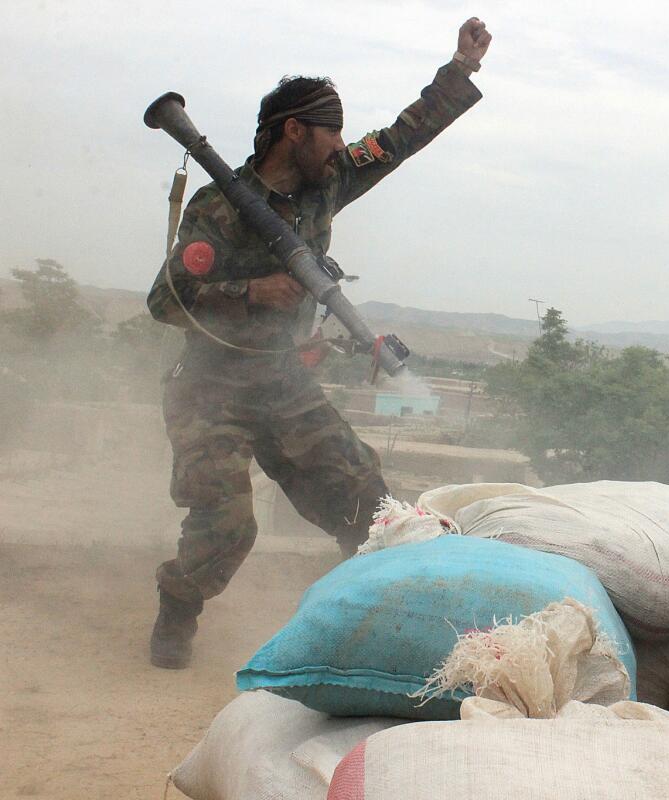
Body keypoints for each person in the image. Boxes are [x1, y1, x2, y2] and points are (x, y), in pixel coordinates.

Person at [145, 18, 492, 670]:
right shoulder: (217, 211)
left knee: (366, 500)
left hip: (281, 379)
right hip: (209, 383)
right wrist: (254, 291)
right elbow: (164, 301)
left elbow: (398, 140)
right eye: (329, 130)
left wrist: (459, 71)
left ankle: (377, 623)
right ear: (293, 131)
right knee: (225, 529)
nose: (341, 143)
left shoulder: (327, 184)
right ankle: (176, 611)